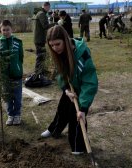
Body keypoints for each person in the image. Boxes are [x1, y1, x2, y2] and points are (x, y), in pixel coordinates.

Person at [41, 25, 98, 155]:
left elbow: (90, 82)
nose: (55, 48)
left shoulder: (82, 53)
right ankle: (54, 129)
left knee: (77, 118)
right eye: (52, 45)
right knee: (62, 109)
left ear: (65, 40)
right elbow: (60, 74)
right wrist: (66, 89)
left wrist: (83, 108)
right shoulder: (58, 53)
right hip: (70, 87)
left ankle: (78, 146)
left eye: (57, 44)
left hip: (82, 90)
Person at [0, 20, 24, 126]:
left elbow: (21, 57)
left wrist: (17, 67)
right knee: (7, 97)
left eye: (7, 29)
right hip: (4, 76)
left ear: (11, 29)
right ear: (0, 30)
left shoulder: (18, 42)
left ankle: (17, 115)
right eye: (3, 30)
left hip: (16, 74)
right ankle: (10, 115)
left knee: (17, 96)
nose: (6, 32)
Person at [33, 2, 55, 77]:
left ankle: (41, 70)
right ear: (46, 6)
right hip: (39, 38)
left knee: (43, 55)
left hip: (40, 38)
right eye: (49, 7)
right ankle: (37, 72)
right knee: (40, 56)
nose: (49, 9)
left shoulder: (41, 13)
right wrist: (55, 24)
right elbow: (45, 26)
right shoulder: (42, 14)